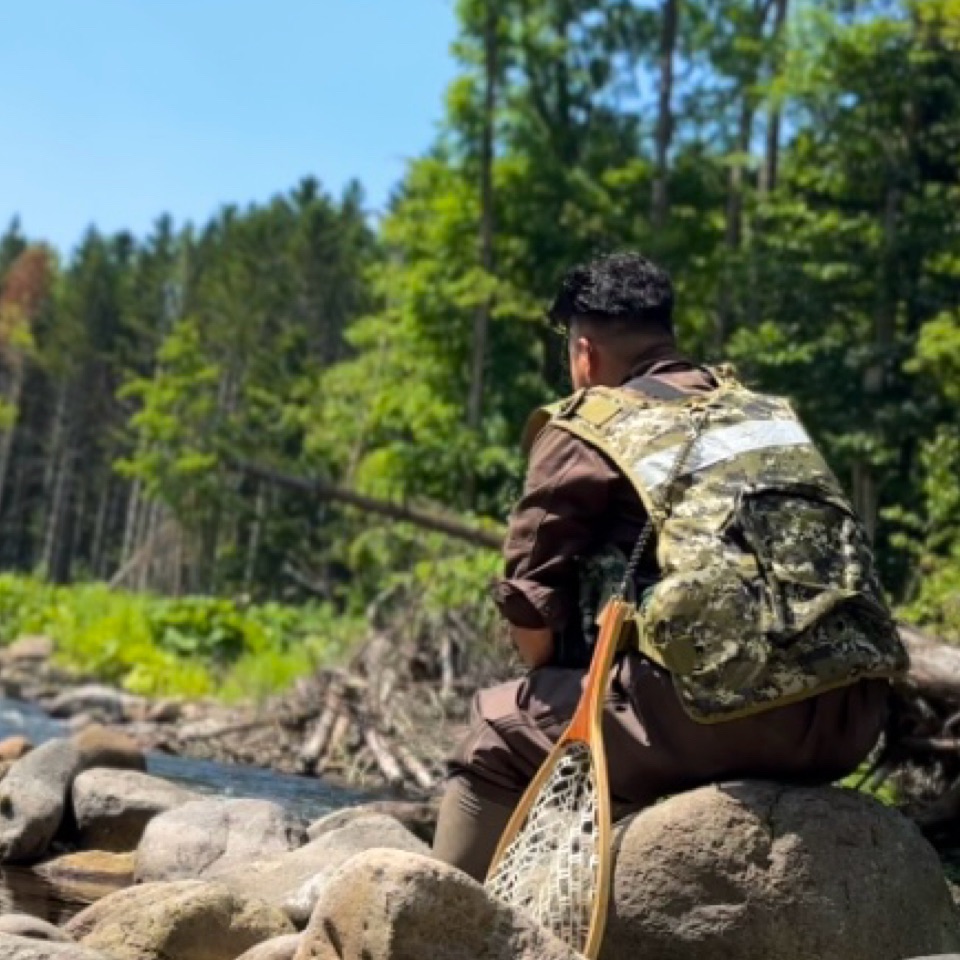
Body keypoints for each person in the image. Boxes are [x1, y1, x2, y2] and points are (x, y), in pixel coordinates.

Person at [431, 251, 908, 881]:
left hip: (727, 718)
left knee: (499, 727)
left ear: (584, 353)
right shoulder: (764, 414)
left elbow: (530, 602)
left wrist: (555, 681)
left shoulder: (590, 423)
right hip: (852, 717)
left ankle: (432, 923)